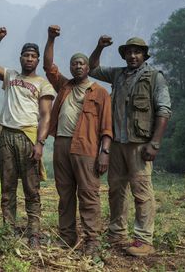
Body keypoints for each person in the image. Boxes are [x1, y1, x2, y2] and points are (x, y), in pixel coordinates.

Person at [88, 36, 171, 256]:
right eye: (129, 52)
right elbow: (92, 68)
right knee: (116, 190)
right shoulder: (118, 74)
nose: (132, 56)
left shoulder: (154, 77)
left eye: (137, 52)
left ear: (144, 55)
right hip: (117, 143)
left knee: (141, 192)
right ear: (124, 55)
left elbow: (164, 110)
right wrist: (99, 47)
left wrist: (154, 143)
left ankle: (144, 239)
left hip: (139, 145)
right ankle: (117, 233)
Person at [0, 27, 55, 248]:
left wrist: (40, 143)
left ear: (37, 59)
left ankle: (34, 233)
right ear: (21, 58)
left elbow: (45, 116)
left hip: (28, 136)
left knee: (32, 189)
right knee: (8, 187)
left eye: (33, 56)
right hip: (7, 137)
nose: (29, 59)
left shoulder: (43, 83)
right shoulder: (10, 75)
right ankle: (8, 229)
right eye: (26, 55)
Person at [43, 26, 113, 256]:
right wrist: (51, 39)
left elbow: (106, 126)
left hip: (87, 147)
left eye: (82, 63)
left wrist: (104, 153)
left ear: (88, 67)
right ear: (71, 67)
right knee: (65, 193)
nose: (78, 66)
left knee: (89, 193)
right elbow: (48, 67)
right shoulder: (64, 86)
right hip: (61, 144)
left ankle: (92, 240)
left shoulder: (99, 92)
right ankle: (67, 237)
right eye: (74, 63)